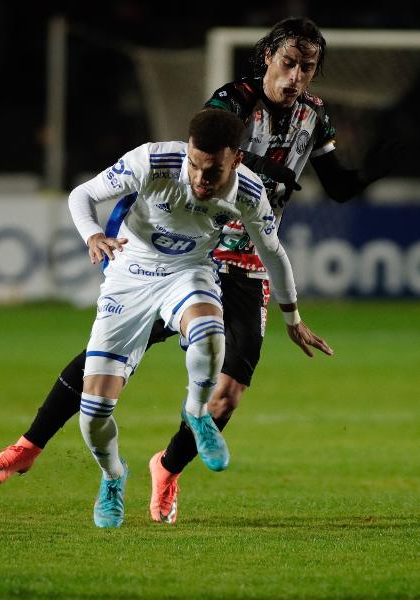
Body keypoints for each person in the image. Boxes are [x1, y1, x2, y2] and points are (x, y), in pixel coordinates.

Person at [0, 17, 395, 522]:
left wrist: (380, 161)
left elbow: (340, 187)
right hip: (196, 254)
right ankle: (31, 442)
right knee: (104, 357)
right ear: (268, 57)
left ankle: (168, 468)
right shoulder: (233, 100)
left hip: (246, 265)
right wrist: (276, 173)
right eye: (289, 64)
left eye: (307, 68)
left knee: (230, 392)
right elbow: (207, 156)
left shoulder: (315, 117)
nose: (296, 77)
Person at [72, 108, 334, 527]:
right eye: (193, 164)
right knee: (93, 414)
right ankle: (113, 476)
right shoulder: (153, 161)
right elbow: (81, 195)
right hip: (130, 276)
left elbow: (274, 255)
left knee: (212, 332)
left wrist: (292, 316)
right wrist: (92, 233)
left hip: (189, 271)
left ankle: (196, 412)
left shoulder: (249, 193)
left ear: (236, 159)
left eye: (211, 170)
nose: (198, 178)